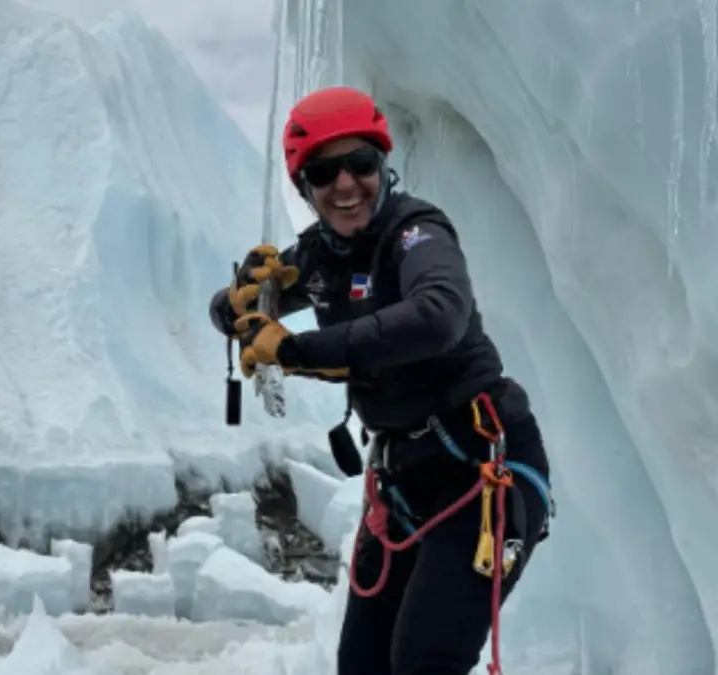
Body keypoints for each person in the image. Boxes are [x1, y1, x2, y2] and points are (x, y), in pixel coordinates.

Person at [207, 86, 555, 675]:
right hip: (401, 484)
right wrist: (238, 297)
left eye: (360, 164)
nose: (345, 185)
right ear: (305, 187)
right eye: (324, 172)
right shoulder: (320, 256)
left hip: (484, 469)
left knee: (424, 661)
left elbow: (438, 315)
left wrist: (293, 349)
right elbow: (235, 313)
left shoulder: (415, 234)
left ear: (383, 165)